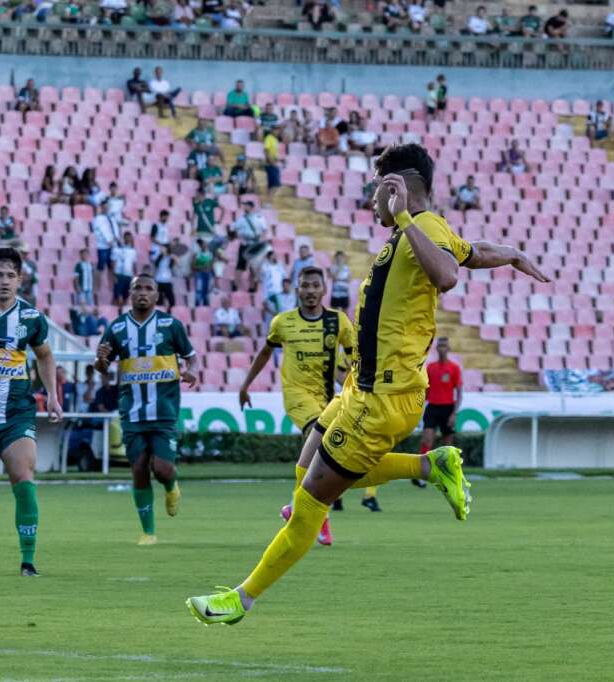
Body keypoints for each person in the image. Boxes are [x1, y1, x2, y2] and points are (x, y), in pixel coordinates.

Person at [185, 142, 550, 625]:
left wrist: (403, 219)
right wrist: (514, 253)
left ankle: (241, 599)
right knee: (306, 465)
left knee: (312, 497)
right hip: (362, 387)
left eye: (378, 190)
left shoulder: (418, 228)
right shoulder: (420, 234)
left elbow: (447, 276)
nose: (371, 200)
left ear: (396, 188)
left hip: (383, 397)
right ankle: (428, 467)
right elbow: (472, 253)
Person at [239, 266, 355, 544]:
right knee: (319, 438)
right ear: (297, 289)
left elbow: (355, 360)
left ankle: (297, 507)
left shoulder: (338, 322)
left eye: (315, 285)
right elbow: (265, 353)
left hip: (328, 397)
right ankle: (318, 519)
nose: (310, 291)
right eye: (305, 286)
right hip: (297, 396)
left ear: (324, 289)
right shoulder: (283, 322)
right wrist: (245, 384)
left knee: (328, 458)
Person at [0, 248, 63, 577]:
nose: (5, 281)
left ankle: (28, 561)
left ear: (20, 280)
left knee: (23, 478)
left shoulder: (32, 318)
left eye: (11, 275)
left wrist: (51, 395)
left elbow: (45, 357)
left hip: (16, 414)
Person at [95, 274, 198, 545]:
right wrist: (101, 360)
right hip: (132, 411)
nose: (142, 292)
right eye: (137, 288)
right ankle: (148, 532)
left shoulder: (170, 325)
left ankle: (171, 484)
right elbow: (102, 366)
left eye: (148, 288)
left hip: (164, 410)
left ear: (156, 295)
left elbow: (191, 356)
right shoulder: (117, 328)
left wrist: (191, 370)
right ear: (129, 294)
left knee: (162, 469)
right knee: (139, 468)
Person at [419, 337, 462, 476]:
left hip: (448, 408)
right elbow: (425, 390)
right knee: (427, 439)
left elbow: (459, 393)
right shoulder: (430, 367)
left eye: (445, 346)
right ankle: (423, 472)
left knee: (447, 443)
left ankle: (447, 472)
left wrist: (454, 414)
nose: (442, 348)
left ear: (448, 349)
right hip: (432, 407)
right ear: (437, 349)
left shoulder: (454, 368)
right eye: (440, 346)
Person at [91, 202, 121, 294]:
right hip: (103, 246)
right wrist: (108, 240)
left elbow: (115, 229)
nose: (106, 209)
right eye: (104, 207)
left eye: (107, 207)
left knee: (111, 267)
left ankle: (111, 286)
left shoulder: (111, 218)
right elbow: (100, 231)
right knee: (100, 266)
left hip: (113, 246)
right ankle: (96, 287)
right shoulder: (98, 219)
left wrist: (116, 239)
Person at [111, 232, 138, 307]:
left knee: (126, 295)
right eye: (127, 237)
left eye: (130, 237)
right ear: (124, 238)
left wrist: (135, 276)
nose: (128, 239)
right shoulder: (117, 249)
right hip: (119, 274)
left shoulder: (133, 251)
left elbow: (134, 263)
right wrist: (113, 275)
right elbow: (113, 262)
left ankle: (124, 311)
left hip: (128, 275)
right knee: (117, 295)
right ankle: (114, 310)